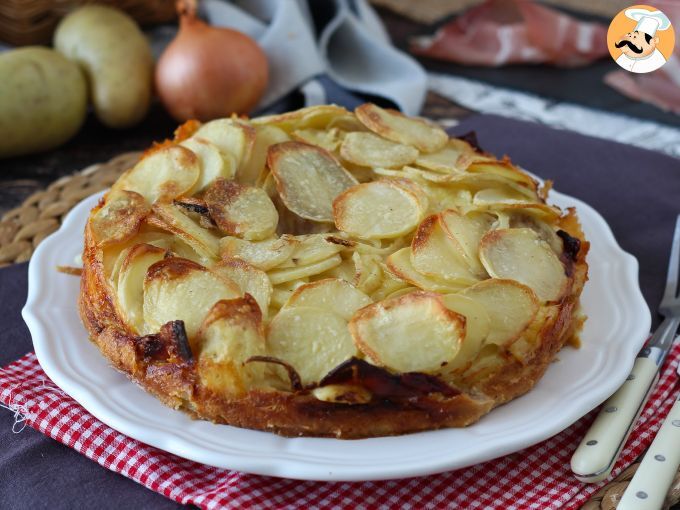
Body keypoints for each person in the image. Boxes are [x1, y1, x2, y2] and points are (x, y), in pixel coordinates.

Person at [614, 8, 671, 73]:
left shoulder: (660, 62)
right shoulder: (623, 57)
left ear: (653, 41)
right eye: (630, 35)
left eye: (635, 37)